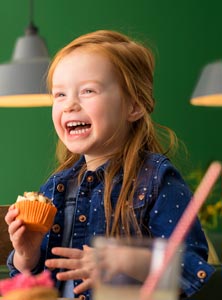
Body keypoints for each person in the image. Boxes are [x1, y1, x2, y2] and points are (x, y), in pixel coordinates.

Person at [5, 29, 215, 299]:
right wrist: (26, 256)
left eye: (88, 90)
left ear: (134, 106)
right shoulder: (56, 187)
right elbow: (38, 286)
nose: (70, 105)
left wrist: (122, 264)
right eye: (59, 95)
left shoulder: (156, 179)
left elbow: (193, 270)